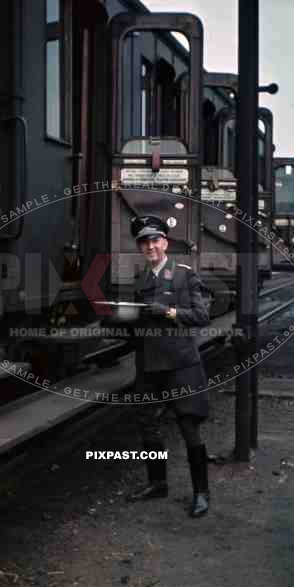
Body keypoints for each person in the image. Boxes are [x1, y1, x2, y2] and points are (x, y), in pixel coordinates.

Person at [126, 215, 211, 518]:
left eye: (154, 240)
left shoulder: (184, 275)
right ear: (140, 247)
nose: (149, 246)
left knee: (188, 425)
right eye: (143, 241)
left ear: (165, 242)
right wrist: (121, 321)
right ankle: (157, 483)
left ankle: (201, 492)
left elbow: (201, 316)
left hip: (180, 363)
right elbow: (140, 323)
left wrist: (170, 311)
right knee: (148, 423)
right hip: (149, 365)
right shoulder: (140, 279)